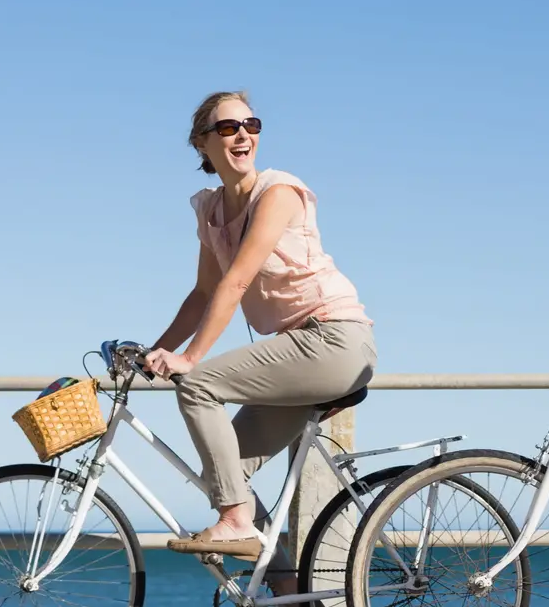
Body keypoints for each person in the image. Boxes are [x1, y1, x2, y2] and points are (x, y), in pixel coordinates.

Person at [142, 90, 376, 595]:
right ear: (202, 145)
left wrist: (189, 359)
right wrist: (151, 353)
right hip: (298, 352)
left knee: (199, 386)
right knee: (224, 470)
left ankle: (236, 524)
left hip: (333, 340)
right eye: (227, 128)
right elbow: (203, 292)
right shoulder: (210, 210)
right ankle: (289, 591)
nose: (242, 134)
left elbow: (237, 282)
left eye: (250, 124)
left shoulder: (278, 192)